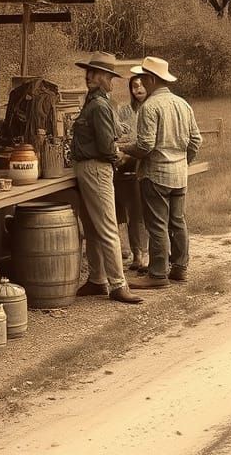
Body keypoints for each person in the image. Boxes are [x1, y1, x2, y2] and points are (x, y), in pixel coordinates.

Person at [70, 51, 142, 305]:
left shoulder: (100, 105)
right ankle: (97, 278)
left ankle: (118, 284)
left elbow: (104, 145)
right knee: (90, 225)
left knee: (107, 227)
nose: (89, 76)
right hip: (88, 167)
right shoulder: (93, 102)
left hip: (96, 168)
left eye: (96, 73)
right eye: (89, 72)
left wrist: (117, 157)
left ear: (106, 78)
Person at [124, 57, 202, 289]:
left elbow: (145, 146)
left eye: (144, 78)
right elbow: (196, 139)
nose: (142, 84)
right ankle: (180, 268)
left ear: (151, 79)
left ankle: (158, 274)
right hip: (179, 173)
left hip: (156, 173)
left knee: (157, 224)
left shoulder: (150, 106)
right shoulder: (182, 103)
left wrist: (124, 148)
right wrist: (184, 161)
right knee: (178, 222)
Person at [115, 76, 149, 272]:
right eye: (134, 86)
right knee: (131, 213)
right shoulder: (125, 110)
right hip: (125, 165)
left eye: (141, 85)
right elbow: (120, 134)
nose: (138, 88)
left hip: (142, 163)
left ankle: (145, 253)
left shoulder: (151, 108)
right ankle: (135, 253)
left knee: (141, 213)